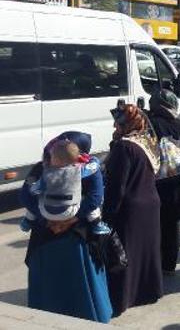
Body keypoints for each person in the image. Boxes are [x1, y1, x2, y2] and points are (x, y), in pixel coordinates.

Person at [21, 132, 113, 323]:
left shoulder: (40, 169)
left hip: (44, 239)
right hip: (77, 240)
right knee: (81, 290)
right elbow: (96, 197)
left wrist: (45, 218)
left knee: (48, 291)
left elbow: (26, 197)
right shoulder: (86, 169)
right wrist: (73, 219)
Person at [104, 104, 163, 317]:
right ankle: (149, 291)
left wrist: (107, 215)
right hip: (150, 203)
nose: (113, 125)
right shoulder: (146, 141)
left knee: (124, 255)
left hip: (131, 208)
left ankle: (123, 299)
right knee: (145, 252)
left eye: (118, 122)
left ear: (125, 125)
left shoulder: (124, 148)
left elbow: (117, 186)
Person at [20, 139, 109, 236]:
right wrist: (93, 160)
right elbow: (95, 198)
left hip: (45, 215)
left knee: (39, 199)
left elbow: (28, 194)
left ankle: (27, 222)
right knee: (89, 204)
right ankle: (96, 224)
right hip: (73, 217)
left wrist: (43, 216)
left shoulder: (43, 171)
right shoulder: (79, 170)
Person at [147, 89, 180, 275]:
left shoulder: (148, 124)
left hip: (154, 183)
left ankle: (154, 264)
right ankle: (169, 265)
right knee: (171, 225)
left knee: (154, 224)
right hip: (176, 182)